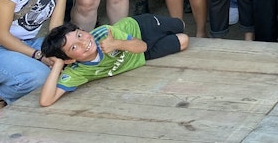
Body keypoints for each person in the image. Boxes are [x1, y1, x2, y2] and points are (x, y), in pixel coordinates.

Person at [39, 14, 189, 107]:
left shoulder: (104, 33)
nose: (83, 42)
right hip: (140, 56)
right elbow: (46, 101)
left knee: (180, 25)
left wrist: (116, 44)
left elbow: (142, 45)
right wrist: (58, 63)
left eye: (79, 35)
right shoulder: (77, 71)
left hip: (140, 28)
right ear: (69, 60)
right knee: (183, 41)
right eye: (73, 48)